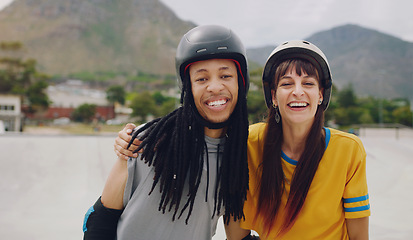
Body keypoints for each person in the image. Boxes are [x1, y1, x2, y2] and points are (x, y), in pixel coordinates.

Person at [115, 40, 371, 239]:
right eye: (286, 83)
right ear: (273, 96)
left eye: (308, 83)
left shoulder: (347, 149)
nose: (297, 91)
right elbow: (236, 233)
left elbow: (359, 235)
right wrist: (137, 137)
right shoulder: (247, 143)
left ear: (321, 95)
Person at [83, 25, 255, 240]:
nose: (214, 87)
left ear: (241, 82)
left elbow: (239, 236)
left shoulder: (237, 160)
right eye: (201, 79)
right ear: (187, 88)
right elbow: (99, 220)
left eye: (225, 75)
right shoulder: (144, 143)